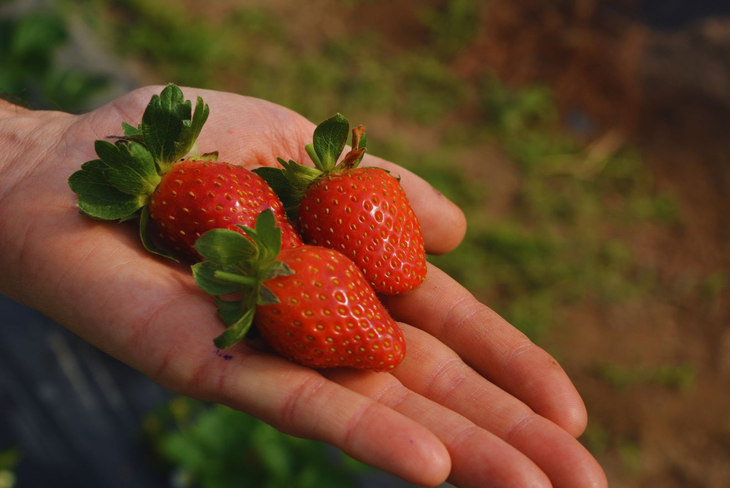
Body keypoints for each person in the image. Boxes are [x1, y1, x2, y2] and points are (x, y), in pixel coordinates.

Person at [0, 86, 607, 488]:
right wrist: (18, 165)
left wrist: (20, 158)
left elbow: (307, 256)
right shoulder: (296, 256)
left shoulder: (306, 244)